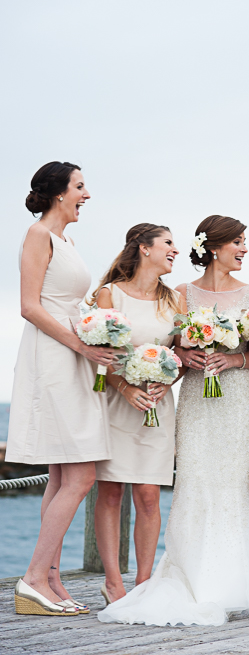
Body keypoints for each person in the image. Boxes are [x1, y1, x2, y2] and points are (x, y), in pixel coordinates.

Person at [99, 215, 249, 626]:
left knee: (232, 486)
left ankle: (228, 583)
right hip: (194, 398)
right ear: (215, 247)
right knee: (192, 482)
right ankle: (189, 576)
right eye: (239, 242)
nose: (245, 249)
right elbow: (169, 349)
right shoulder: (180, 294)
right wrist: (186, 360)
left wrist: (232, 358)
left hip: (237, 400)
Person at [9, 162, 116, 617]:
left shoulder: (67, 240)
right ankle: (33, 577)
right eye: (80, 186)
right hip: (53, 359)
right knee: (81, 476)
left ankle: (50, 579)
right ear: (58, 194)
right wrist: (81, 345)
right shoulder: (39, 236)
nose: (87, 194)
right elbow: (29, 307)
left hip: (73, 355)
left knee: (61, 476)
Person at [90, 224, 187, 606]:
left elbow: (180, 355)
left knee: (148, 495)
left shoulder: (175, 301)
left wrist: (169, 379)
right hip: (117, 402)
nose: (175, 250)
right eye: (168, 243)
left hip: (157, 406)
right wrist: (125, 388)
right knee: (111, 492)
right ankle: (113, 582)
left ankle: (144, 584)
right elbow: (102, 354)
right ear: (144, 249)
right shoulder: (108, 294)